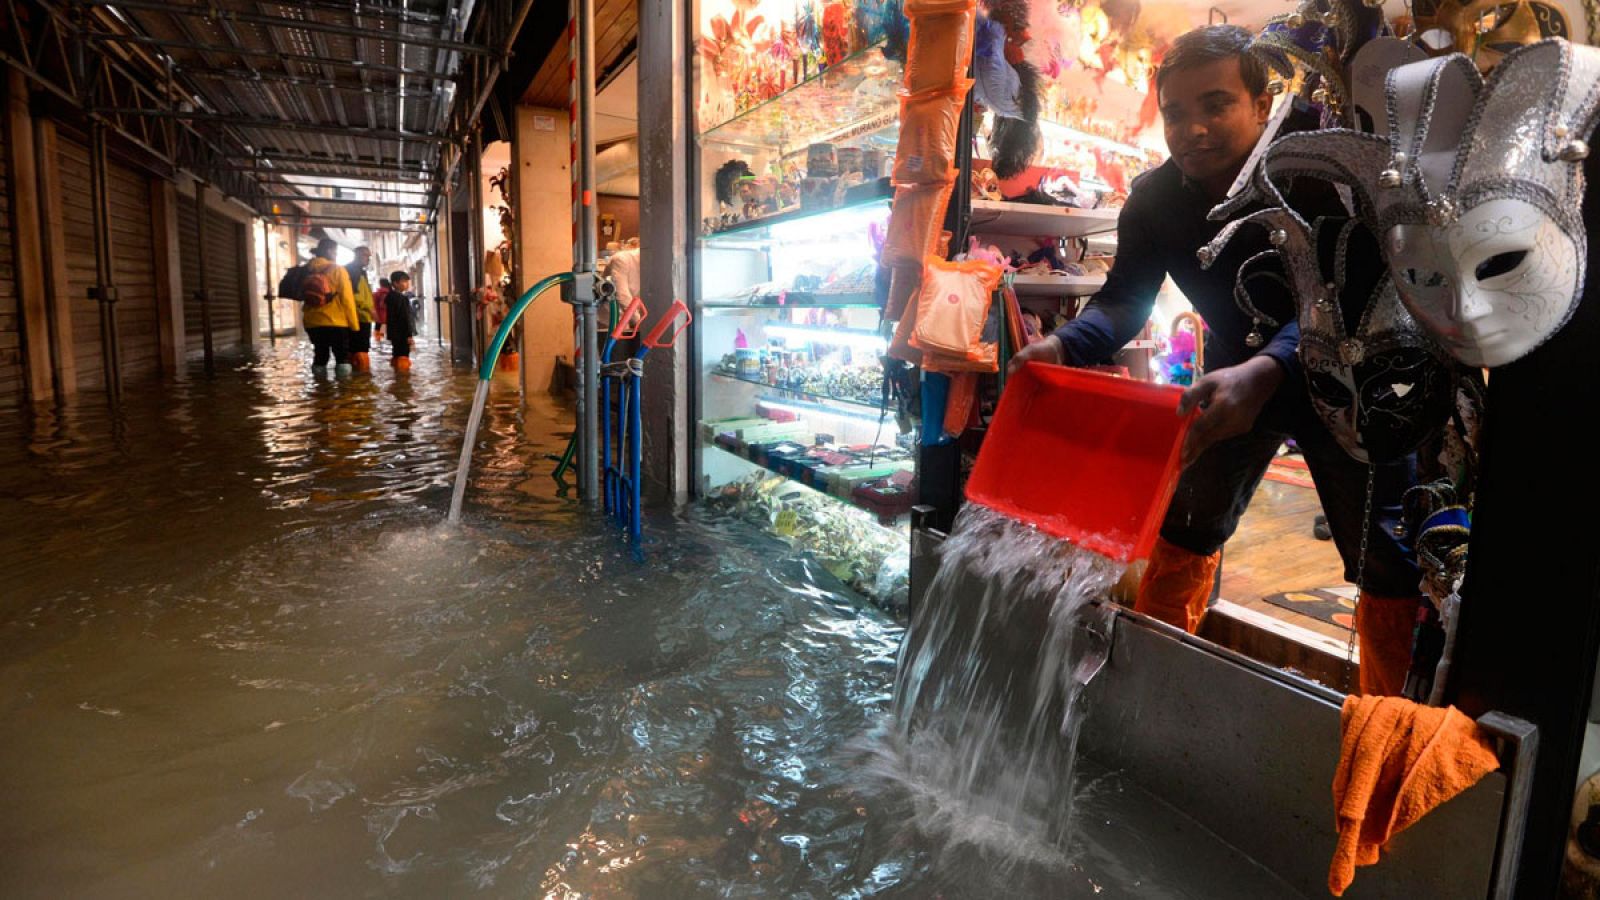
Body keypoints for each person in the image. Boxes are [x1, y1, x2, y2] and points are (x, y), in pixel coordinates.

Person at [1006, 24, 1422, 696]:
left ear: (1262, 102)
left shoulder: (1320, 164)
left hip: (1354, 383)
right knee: (1186, 526)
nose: (1192, 128)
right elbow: (1123, 303)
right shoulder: (1155, 200)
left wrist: (1269, 370)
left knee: (1387, 562)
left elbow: (1355, 288)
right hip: (1233, 380)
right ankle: (1153, 686)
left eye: (1216, 104)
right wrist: (1060, 346)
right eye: (1176, 112)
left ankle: (1388, 722)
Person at [282, 237, 359, 374]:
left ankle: (320, 390)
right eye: (335, 252)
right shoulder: (337, 270)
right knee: (342, 358)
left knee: (320, 356)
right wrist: (354, 325)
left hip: (313, 323)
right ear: (329, 251)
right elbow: (347, 300)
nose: (336, 255)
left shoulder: (305, 270)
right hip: (336, 323)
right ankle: (344, 392)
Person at [346, 245, 377, 373]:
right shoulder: (354, 271)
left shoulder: (358, 271)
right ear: (357, 255)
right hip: (359, 316)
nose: (368, 259)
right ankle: (362, 379)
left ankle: (355, 380)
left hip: (359, 316)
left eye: (369, 256)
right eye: (366, 256)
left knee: (354, 349)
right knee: (360, 349)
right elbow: (354, 295)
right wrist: (370, 309)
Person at [378, 271, 416, 372]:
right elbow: (405, 317)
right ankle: (403, 381)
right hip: (402, 333)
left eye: (407, 281)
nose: (407, 283)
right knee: (403, 357)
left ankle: (397, 379)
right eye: (404, 281)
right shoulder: (402, 298)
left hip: (394, 333)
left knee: (396, 354)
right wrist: (409, 335)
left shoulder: (390, 297)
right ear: (395, 283)